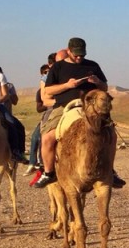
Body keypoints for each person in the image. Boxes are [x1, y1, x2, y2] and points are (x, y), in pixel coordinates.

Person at [33, 38, 118, 189]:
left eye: (82, 55)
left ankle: (110, 171)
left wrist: (97, 81)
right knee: (47, 138)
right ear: (69, 51)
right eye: (76, 55)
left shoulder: (92, 65)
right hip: (64, 107)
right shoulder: (58, 67)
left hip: (90, 107)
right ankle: (48, 172)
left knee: (111, 134)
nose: (79, 58)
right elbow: (48, 90)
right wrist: (67, 85)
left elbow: (104, 87)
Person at [0, 66, 27, 163]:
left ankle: (18, 152)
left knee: (18, 127)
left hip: (5, 112)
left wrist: (8, 94)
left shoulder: (9, 86)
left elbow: (15, 101)